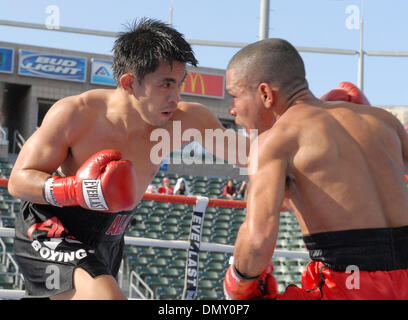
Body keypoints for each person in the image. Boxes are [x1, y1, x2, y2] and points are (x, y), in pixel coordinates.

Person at [8, 18, 249, 300]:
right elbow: (18, 180)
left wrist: (300, 121)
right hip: (51, 224)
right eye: (165, 85)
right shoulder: (76, 114)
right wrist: (74, 189)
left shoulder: (186, 121)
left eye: (180, 84)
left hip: (111, 234)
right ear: (129, 82)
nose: (175, 97)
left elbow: (247, 154)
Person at [223, 38, 408, 300]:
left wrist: (238, 283)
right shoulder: (384, 121)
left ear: (265, 93)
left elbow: (257, 240)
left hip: (347, 285)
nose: (232, 109)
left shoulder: (275, 142)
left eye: (234, 95)